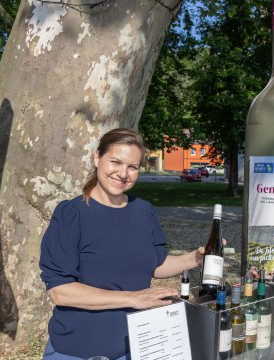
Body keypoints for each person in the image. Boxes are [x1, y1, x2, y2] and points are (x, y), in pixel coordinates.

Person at [39, 128, 213, 360]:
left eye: (133, 167)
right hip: (77, 350)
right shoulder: (72, 214)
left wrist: (196, 258)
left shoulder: (143, 211)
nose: (123, 173)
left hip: (137, 345)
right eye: (115, 162)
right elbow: (61, 292)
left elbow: (155, 265)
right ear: (97, 158)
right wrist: (134, 298)